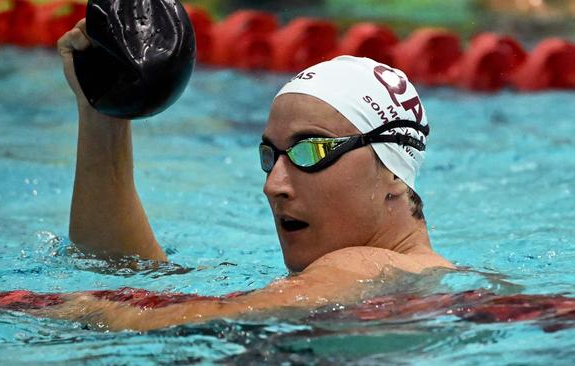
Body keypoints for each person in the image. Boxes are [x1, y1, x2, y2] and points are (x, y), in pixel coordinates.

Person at [47, 19, 454, 332]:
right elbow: (128, 272)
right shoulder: (398, 280)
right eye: (270, 156)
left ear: (394, 175)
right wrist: (103, 116)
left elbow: (217, 317)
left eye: (310, 151)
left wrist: (65, 310)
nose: (273, 185)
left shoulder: (368, 266)